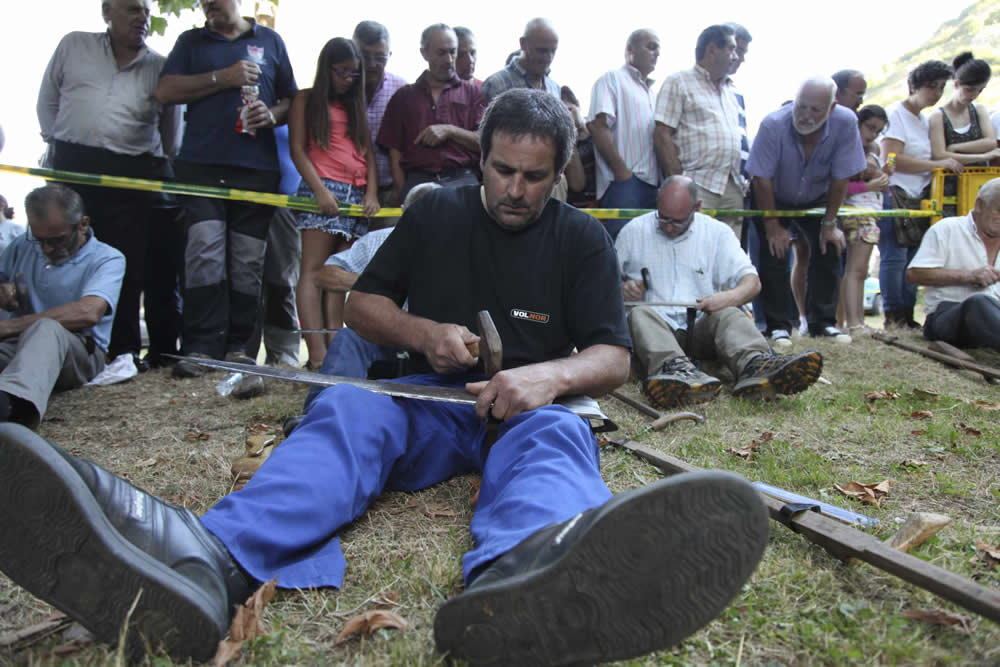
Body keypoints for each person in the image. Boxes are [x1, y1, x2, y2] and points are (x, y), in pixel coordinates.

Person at [0, 89, 769, 666]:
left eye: (536, 177)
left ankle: (529, 579)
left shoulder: (581, 242)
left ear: (558, 174)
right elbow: (361, 303)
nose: (516, 189)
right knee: (348, 414)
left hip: (529, 405)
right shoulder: (433, 213)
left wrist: (550, 376)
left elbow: (615, 356)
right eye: (503, 170)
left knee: (556, 441)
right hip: (422, 398)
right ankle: (211, 562)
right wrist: (423, 333)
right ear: (481, 159)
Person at [37, 0, 182, 371]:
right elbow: (48, 102)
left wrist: (156, 164)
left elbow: (170, 131)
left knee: (126, 262)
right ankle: (60, 340)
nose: (142, 18)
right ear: (107, 11)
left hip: (132, 172)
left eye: (146, 11)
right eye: (133, 9)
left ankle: (122, 350)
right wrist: (60, 144)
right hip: (73, 164)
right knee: (64, 253)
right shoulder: (74, 45)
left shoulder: (159, 66)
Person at [155, 0, 297, 377]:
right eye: (204, 3)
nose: (209, 7)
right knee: (204, 252)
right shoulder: (190, 42)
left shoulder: (271, 40)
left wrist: (272, 115)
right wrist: (223, 77)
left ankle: (238, 348)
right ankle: (201, 347)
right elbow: (165, 90)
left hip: (256, 171)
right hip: (200, 168)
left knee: (247, 261)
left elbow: (290, 100)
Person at [617, 176, 822, 408]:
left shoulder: (717, 233)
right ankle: (674, 371)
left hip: (701, 327)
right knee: (640, 314)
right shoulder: (633, 232)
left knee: (730, 312)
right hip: (654, 332)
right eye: (663, 218)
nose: (668, 226)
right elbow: (604, 284)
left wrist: (728, 297)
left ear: (697, 208)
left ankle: (756, 364)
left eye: (677, 221)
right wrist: (622, 289)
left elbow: (751, 282)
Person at [299, 182, 441, 415]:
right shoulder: (378, 241)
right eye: (417, 214)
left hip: (436, 343)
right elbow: (326, 275)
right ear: (403, 212)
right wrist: (377, 286)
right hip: (384, 338)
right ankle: (319, 415)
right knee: (350, 338)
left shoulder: (460, 248)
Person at [747, 76, 867, 348]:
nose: (805, 115)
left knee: (830, 245)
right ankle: (778, 326)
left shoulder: (846, 123)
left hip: (817, 195)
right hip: (772, 194)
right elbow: (761, 179)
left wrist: (829, 223)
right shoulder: (772, 124)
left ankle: (822, 322)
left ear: (831, 108)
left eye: (815, 110)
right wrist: (773, 225)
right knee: (773, 250)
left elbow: (841, 177)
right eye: (801, 107)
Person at [0, 184, 124, 427]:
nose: (46, 249)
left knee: (46, 329)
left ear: (83, 224)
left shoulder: (108, 258)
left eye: (57, 240)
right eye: (39, 240)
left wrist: (10, 326)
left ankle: (13, 410)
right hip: (17, 344)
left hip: (77, 351)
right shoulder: (23, 245)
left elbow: (88, 312)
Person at [289, 37, 379, 369]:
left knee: (337, 273)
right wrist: (319, 192)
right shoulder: (305, 100)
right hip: (322, 191)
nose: (348, 80)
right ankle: (316, 352)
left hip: (355, 197)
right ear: (328, 69)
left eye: (354, 75)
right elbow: (297, 150)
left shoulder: (356, 105)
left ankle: (334, 348)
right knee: (312, 272)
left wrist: (371, 193)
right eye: (342, 72)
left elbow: (367, 152)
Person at [879, 60, 961, 330]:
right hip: (896, 192)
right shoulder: (895, 115)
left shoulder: (925, 120)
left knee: (914, 257)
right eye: (931, 86)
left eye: (940, 87)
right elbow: (891, 160)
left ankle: (907, 314)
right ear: (914, 86)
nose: (936, 93)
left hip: (922, 195)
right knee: (895, 256)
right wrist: (936, 165)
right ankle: (893, 315)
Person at [654, 24, 745, 239]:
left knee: (728, 255)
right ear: (712, 49)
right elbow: (661, 133)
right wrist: (679, 181)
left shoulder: (732, 92)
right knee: (692, 250)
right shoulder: (679, 81)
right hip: (697, 183)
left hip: (732, 185)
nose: (736, 56)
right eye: (731, 49)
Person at [377, 24, 485, 202]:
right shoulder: (404, 97)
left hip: (463, 178)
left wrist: (450, 130)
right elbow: (394, 150)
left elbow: (486, 142)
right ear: (424, 53)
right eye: (441, 52)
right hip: (418, 181)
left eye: (453, 51)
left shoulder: (474, 94)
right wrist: (402, 189)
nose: (449, 59)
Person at [906, 177, 1000, 354]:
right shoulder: (947, 229)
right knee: (978, 302)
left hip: (993, 318)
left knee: (986, 304)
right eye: (999, 210)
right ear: (980, 205)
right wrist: (969, 276)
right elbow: (914, 274)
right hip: (947, 317)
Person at [587, 29, 661, 239]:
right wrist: (622, 173)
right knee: (621, 247)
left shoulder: (653, 94)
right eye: (651, 46)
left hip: (652, 185)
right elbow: (597, 126)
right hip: (625, 183)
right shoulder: (612, 79)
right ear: (630, 49)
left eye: (658, 50)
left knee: (645, 249)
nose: (656, 53)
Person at [838, 105, 891, 334]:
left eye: (878, 131)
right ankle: (854, 323)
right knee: (855, 270)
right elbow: (838, 186)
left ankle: (858, 320)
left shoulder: (874, 150)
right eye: (869, 128)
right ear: (857, 124)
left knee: (861, 271)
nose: (872, 134)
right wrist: (867, 185)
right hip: (855, 213)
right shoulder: (847, 149)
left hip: (870, 212)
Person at [929, 53, 1000, 217]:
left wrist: (955, 148)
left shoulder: (979, 110)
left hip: (979, 186)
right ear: (956, 84)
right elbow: (939, 154)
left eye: (979, 90)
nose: (974, 95)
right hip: (950, 189)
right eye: (969, 90)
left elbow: (990, 142)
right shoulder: (938, 116)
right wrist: (984, 156)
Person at [353, 20, 408, 213]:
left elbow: (406, 145)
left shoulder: (401, 90)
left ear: (389, 55)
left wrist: (399, 189)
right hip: (346, 191)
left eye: (380, 57)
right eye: (364, 56)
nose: (371, 64)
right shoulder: (339, 88)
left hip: (389, 192)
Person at [481, 18, 561, 101]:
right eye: (542, 51)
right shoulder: (496, 85)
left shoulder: (555, 89)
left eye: (553, 51)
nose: (549, 57)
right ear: (523, 44)